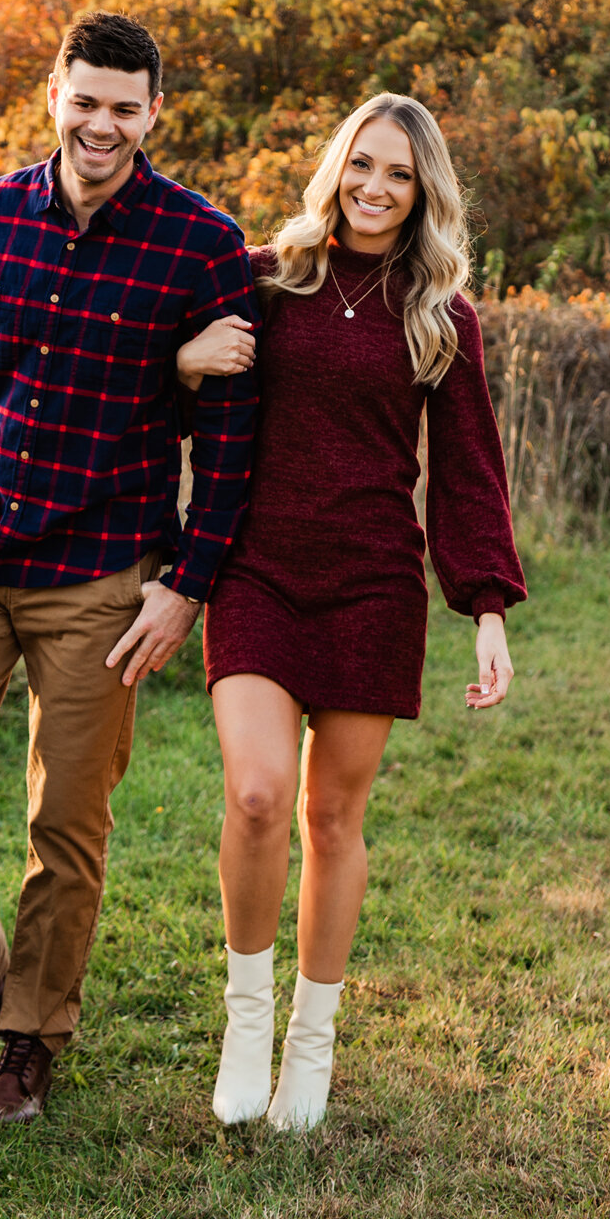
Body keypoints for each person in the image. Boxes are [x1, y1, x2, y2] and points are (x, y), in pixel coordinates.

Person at [0, 12, 259, 1125]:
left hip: (103, 564)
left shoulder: (201, 241)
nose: (101, 123)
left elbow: (231, 437)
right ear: (54, 93)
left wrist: (185, 579)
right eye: (83, 99)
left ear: (155, 114)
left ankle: (31, 1035)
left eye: (124, 106)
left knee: (68, 814)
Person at [175, 93, 526, 1131]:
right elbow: (163, 389)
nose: (376, 188)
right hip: (257, 570)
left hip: (373, 583)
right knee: (255, 793)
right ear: (336, 168)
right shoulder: (262, 280)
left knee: (332, 817)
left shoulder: (437, 311)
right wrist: (183, 359)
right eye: (362, 166)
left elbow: (468, 472)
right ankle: (246, 1021)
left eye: (400, 176)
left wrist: (488, 605)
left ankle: (312, 1042)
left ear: (424, 193)